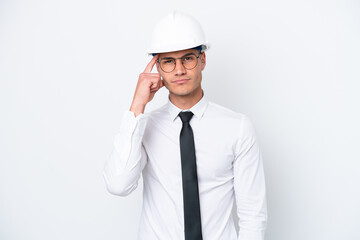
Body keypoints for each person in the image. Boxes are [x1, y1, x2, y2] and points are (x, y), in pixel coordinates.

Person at [103, 11, 267, 240]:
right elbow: (118, 184)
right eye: (168, 62)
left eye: (187, 58)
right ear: (157, 68)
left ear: (203, 60)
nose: (179, 70)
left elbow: (253, 215)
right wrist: (137, 105)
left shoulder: (237, 128)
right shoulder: (144, 126)